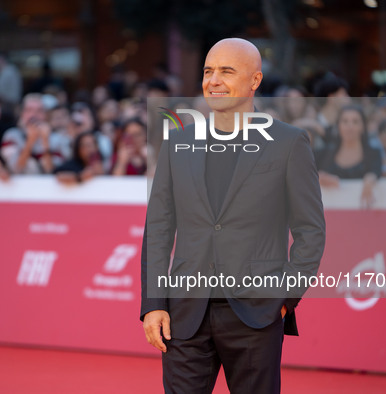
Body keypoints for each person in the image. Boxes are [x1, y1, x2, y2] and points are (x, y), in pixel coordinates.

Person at [141, 38, 326, 393]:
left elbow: (310, 231)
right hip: (184, 313)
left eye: (227, 71)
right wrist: (153, 303)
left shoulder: (288, 143)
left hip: (256, 314)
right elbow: (159, 228)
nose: (214, 80)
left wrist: (285, 298)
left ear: (254, 81)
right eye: (209, 71)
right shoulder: (177, 143)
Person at [315, 105, 382, 208]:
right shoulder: (324, 153)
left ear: (363, 127)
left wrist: (370, 179)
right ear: (338, 125)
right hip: (330, 214)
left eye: (355, 122)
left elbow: (376, 170)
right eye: (345, 121)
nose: (350, 126)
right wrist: (318, 177)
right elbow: (304, 173)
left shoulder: (374, 153)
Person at [0, 94, 54, 174]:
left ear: (45, 115)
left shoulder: (57, 138)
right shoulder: (12, 135)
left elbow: (51, 171)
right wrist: (30, 141)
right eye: (29, 110)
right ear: (22, 113)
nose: (34, 114)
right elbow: (16, 168)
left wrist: (45, 141)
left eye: (39, 110)